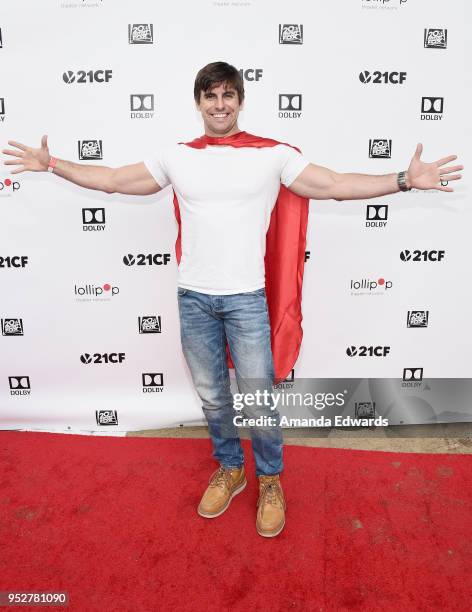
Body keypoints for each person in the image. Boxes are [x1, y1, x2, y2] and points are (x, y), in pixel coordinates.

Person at [2, 61, 463, 538]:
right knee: (213, 399)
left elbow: (334, 185)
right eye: (210, 96)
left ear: (240, 101)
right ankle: (231, 468)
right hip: (194, 299)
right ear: (198, 103)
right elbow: (116, 179)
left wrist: (403, 181)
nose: (219, 105)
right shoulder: (178, 156)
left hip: (246, 300)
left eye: (227, 95)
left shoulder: (272, 155)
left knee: (259, 401)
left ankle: (269, 481)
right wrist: (51, 165)